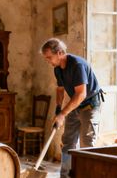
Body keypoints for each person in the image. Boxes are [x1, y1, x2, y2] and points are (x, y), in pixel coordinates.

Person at [40, 38, 104, 178]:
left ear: (60, 53)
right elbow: (60, 90)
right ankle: (65, 176)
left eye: (49, 57)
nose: (47, 61)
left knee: (87, 143)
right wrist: (58, 110)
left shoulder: (77, 65)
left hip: (90, 104)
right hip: (75, 104)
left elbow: (81, 94)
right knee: (68, 142)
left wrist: (63, 114)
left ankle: (88, 175)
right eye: (46, 58)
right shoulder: (57, 69)